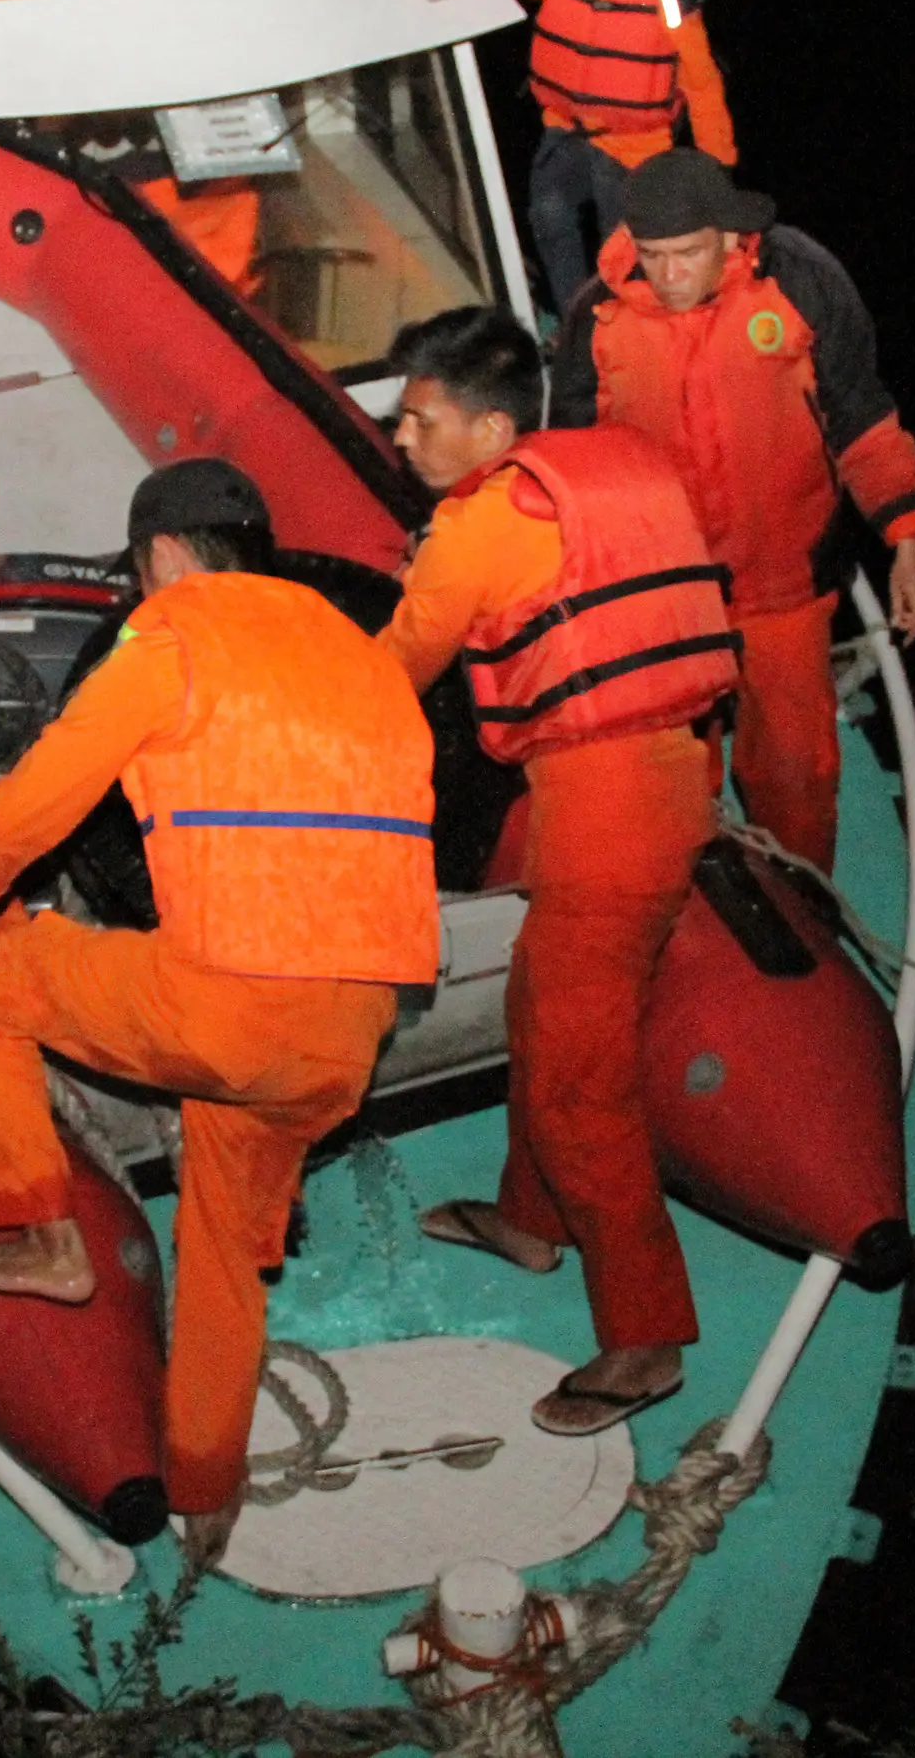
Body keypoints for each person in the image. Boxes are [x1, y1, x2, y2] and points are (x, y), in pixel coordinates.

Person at [0, 459, 439, 1567]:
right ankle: (206, 1486)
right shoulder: (365, 656)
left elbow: (39, 797)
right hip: (349, 1038)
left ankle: (39, 1233)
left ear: (160, 558)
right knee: (225, 1244)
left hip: (226, 1006)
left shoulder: (171, 631)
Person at [377, 307, 739, 1436]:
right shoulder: (616, 465)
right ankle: (530, 1219)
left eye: (418, 418)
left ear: (488, 427)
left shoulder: (479, 527)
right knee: (544, 1009)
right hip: (676, 776)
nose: (399, 436)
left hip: (603, 813)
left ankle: (645, 1341)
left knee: (582, 1081)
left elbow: (392, 669)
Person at [554, 149, 915, 870]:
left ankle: (804, 900)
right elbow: (574, 465)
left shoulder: (798, 281)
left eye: (687, 254)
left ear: (729, 237)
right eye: (652, 255)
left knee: (797, 771)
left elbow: (860, 418)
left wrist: (905, 541)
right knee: (668, 776)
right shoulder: (595, 318)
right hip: (663, 595)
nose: (666, 277)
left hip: (783, 582)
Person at [387, 0, 738, 316]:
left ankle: (623, 327)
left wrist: (717, 170)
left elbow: (702, 81)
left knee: (625, 253)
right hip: (565, 133)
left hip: (635, 147)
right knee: (548, 215)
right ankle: (577, 318)